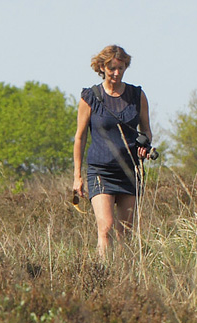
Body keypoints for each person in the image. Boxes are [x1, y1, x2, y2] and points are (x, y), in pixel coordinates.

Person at [73, 45, 152, 258]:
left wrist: (145, 147)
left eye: (121, 68)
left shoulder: (137, 95)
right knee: (105, 227)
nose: (116, 73)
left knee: (124, 233)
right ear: (102, 67)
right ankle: (103, 275)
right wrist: (77, 176)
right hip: (101, 170)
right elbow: (80, 137)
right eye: (112, 68)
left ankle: (125, 278)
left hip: (129, 171)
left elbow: (146, 131)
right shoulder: (91, 97)